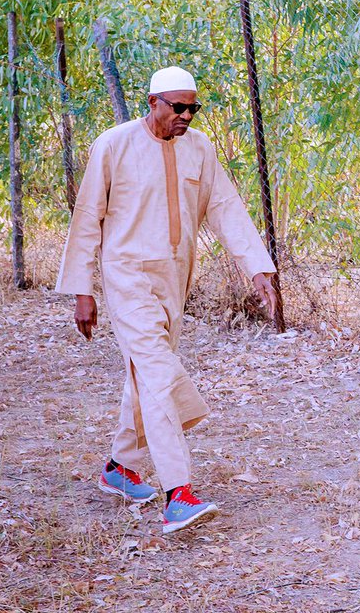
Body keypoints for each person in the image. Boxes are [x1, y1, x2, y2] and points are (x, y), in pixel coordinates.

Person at [56, 66, 278, 534]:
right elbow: (87, 218)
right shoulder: (113, 145)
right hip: (126, 274)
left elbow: (225, 207)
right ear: (152, 101)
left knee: (147, 374)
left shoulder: (199, 148)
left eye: (193, 107)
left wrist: (256, 267)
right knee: (158, 370)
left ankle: (119, 468)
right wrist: (83, 290)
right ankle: (179, 493)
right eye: (178, 107)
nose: (187, 116)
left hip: (175, 278)